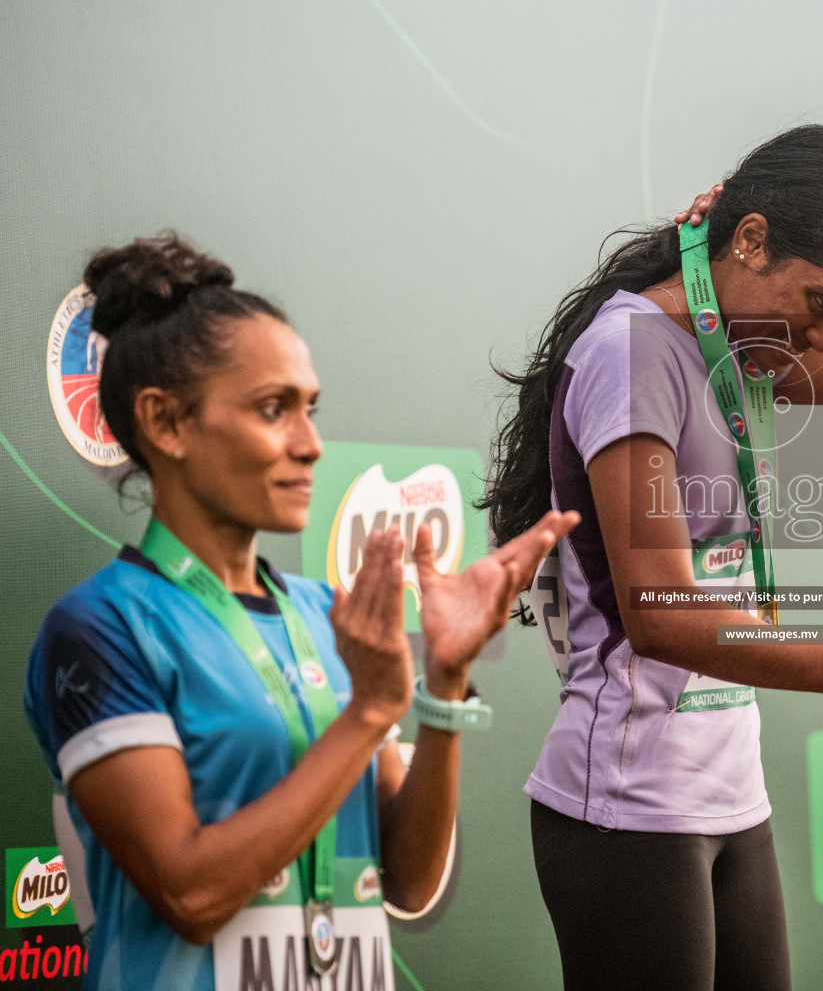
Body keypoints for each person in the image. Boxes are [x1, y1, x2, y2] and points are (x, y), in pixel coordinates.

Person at [482, 124, 823, 991]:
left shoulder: (749, 351)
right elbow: (664, 621)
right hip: (629, 804)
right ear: (750, 242)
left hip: (733, 798)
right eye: (821, 304)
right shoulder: (636, 351)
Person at [23, 234, 578, 991]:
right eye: (273, 409)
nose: (312, 445)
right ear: (165, 424)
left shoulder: (329, 612)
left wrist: (443, 684)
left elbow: (409, 885)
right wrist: (370, 711)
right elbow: (191, 894)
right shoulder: (102, 627)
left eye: (310, 409)